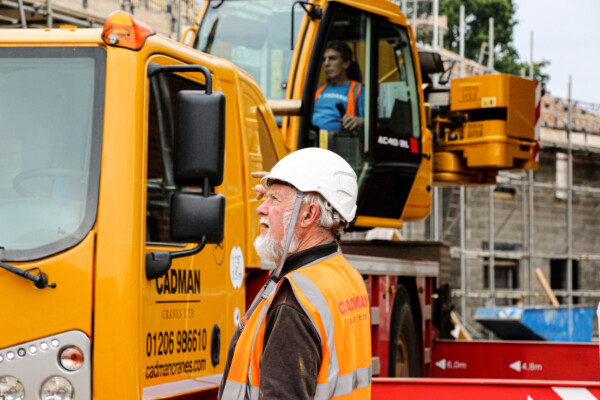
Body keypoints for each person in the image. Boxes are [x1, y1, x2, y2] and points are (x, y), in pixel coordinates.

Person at [219, 148, 372, 400]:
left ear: (309, 214)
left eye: (273, 200)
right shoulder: (345, 275)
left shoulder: (293, 302)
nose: (260, 208)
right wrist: (285, 195)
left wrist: (290, 196)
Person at [312, 42, 365, 133]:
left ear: (346, 63)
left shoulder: (359, 90)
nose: (326, 64)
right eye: (324, 59)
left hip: (342, 143)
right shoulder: (317, 89)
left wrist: (360, 122)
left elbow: (375, 125)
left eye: (332, 58)